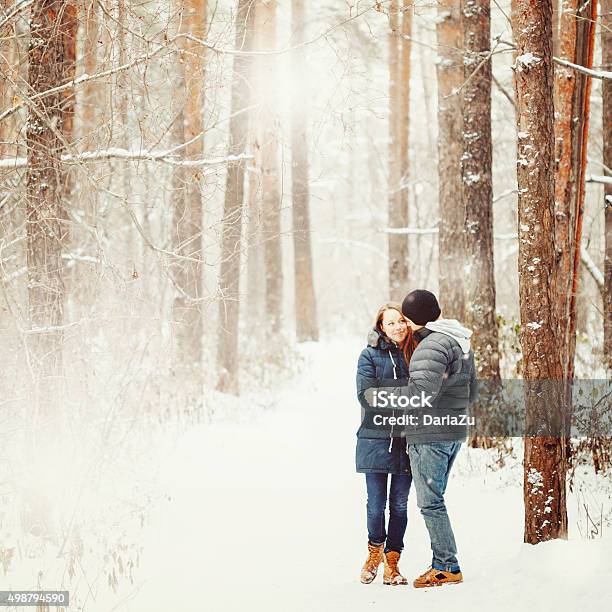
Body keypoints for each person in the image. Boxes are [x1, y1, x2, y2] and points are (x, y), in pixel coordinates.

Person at [395, 289, 478, 588]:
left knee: (431, 503)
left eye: (406, 317)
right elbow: (471, 392)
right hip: (452, 430)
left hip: (430, 433)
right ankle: (445, 563)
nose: (404, 323)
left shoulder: (431, 345)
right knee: (435, 499)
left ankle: (446, 566)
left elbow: (420, 394)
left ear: (416, 319)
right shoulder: (458, 339)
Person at [355, 302, 417, 586]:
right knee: (375, 505)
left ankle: (392, 563)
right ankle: (373, 554)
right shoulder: (368, 356)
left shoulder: (417, 353)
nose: (397, 327)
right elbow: (366, 395)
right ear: (381, 327)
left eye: (401, 321)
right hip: (375, 439)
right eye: (390, 323)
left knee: (400, 505)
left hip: (408, 440)